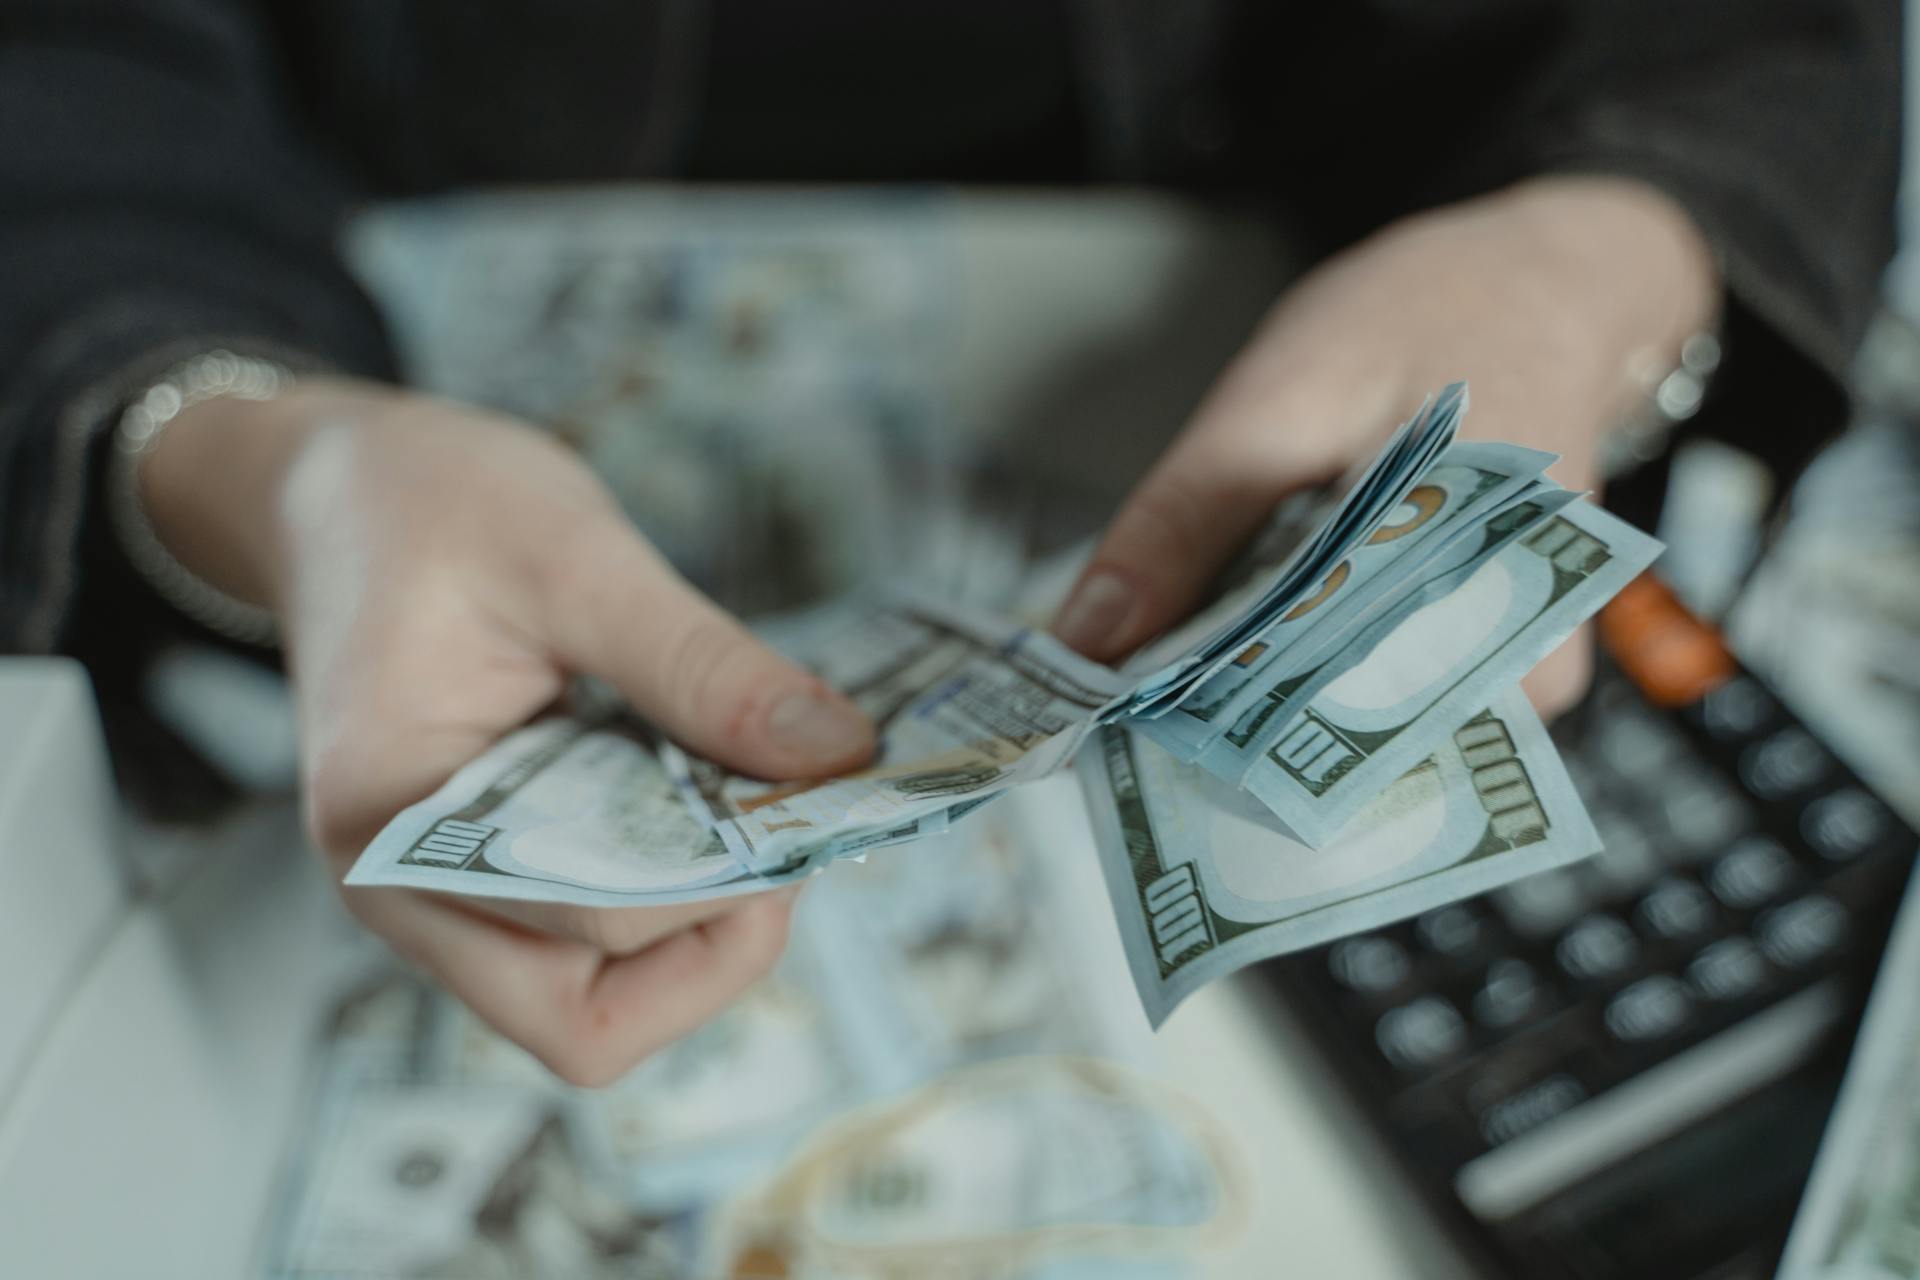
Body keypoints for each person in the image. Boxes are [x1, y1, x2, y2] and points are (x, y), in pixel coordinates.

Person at [0, 0, 1898, 1086]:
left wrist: (1622, 240)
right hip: (354, 420)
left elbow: (1750, 35)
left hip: (1210, 366)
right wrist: (238, 448)